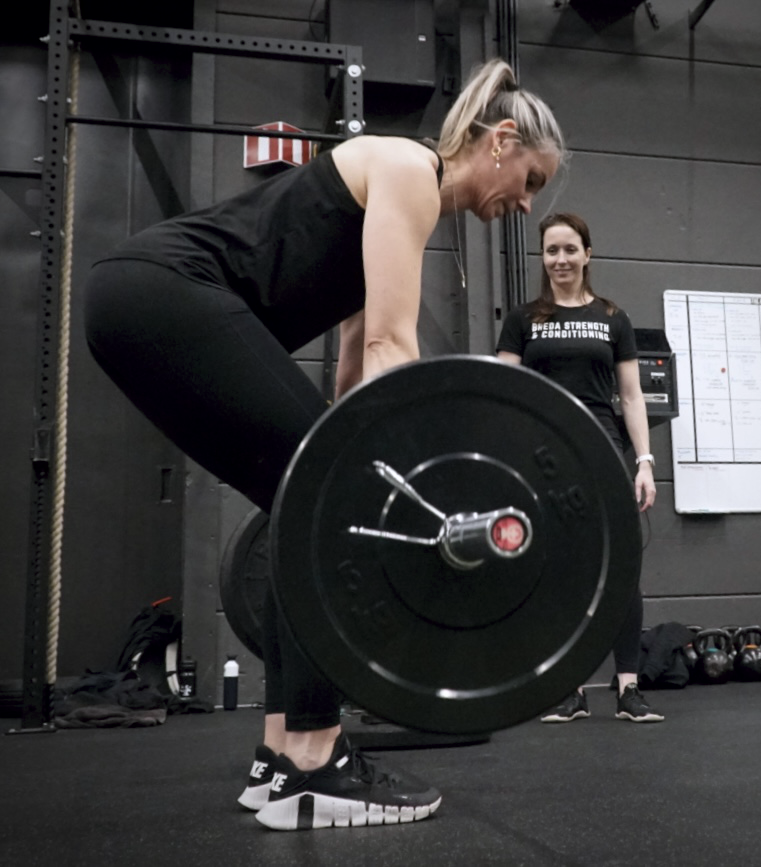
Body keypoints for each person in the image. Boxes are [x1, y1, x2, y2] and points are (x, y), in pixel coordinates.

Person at [83, 59, 565, 831]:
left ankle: (280, 755)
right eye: (531, 179)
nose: (526, 203)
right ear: (500, 140)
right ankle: (316, 760)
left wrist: (358, 474)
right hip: (165, 290)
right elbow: (389, 345)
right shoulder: (409, 170)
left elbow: (351, 369)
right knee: (327, 499)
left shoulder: (397, 198)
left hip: (132, 303)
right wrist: (412, 486)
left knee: (302, 501)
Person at [496, 212, 663, 725]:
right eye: (552, 250)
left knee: (621, 567)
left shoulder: (613, 318)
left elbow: (631, 397)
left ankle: (629, 689)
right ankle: (569, 691)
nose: (561, 259)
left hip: (602, 450)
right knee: (561, 570)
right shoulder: (524, 320)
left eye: (570, 249)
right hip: (545, 456)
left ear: (587, 254)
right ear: (542, 257)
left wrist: (644, 462)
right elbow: (502, 394)